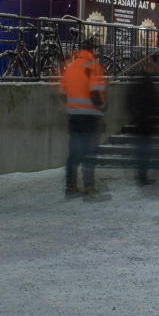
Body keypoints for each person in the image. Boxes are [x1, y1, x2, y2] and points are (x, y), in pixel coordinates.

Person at [60, 39, 108, 200]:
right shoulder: (93, 66)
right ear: (93, 51)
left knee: (74, 151)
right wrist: (103, 107)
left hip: (73, 116)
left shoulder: (70, 67)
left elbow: (62, 94)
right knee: (89, 151)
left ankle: (71, 186)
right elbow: (95, 94)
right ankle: (88, 186)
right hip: (90, 117)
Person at [128, 60, 159, 186]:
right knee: (145, 153)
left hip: (139, 123)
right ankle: (143, 177)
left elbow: (129, 103)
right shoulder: (150, 87)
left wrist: (134, 115)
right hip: (147, 124)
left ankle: (141, 176)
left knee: (141, 152)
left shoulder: (136, 86)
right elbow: (156, 103)